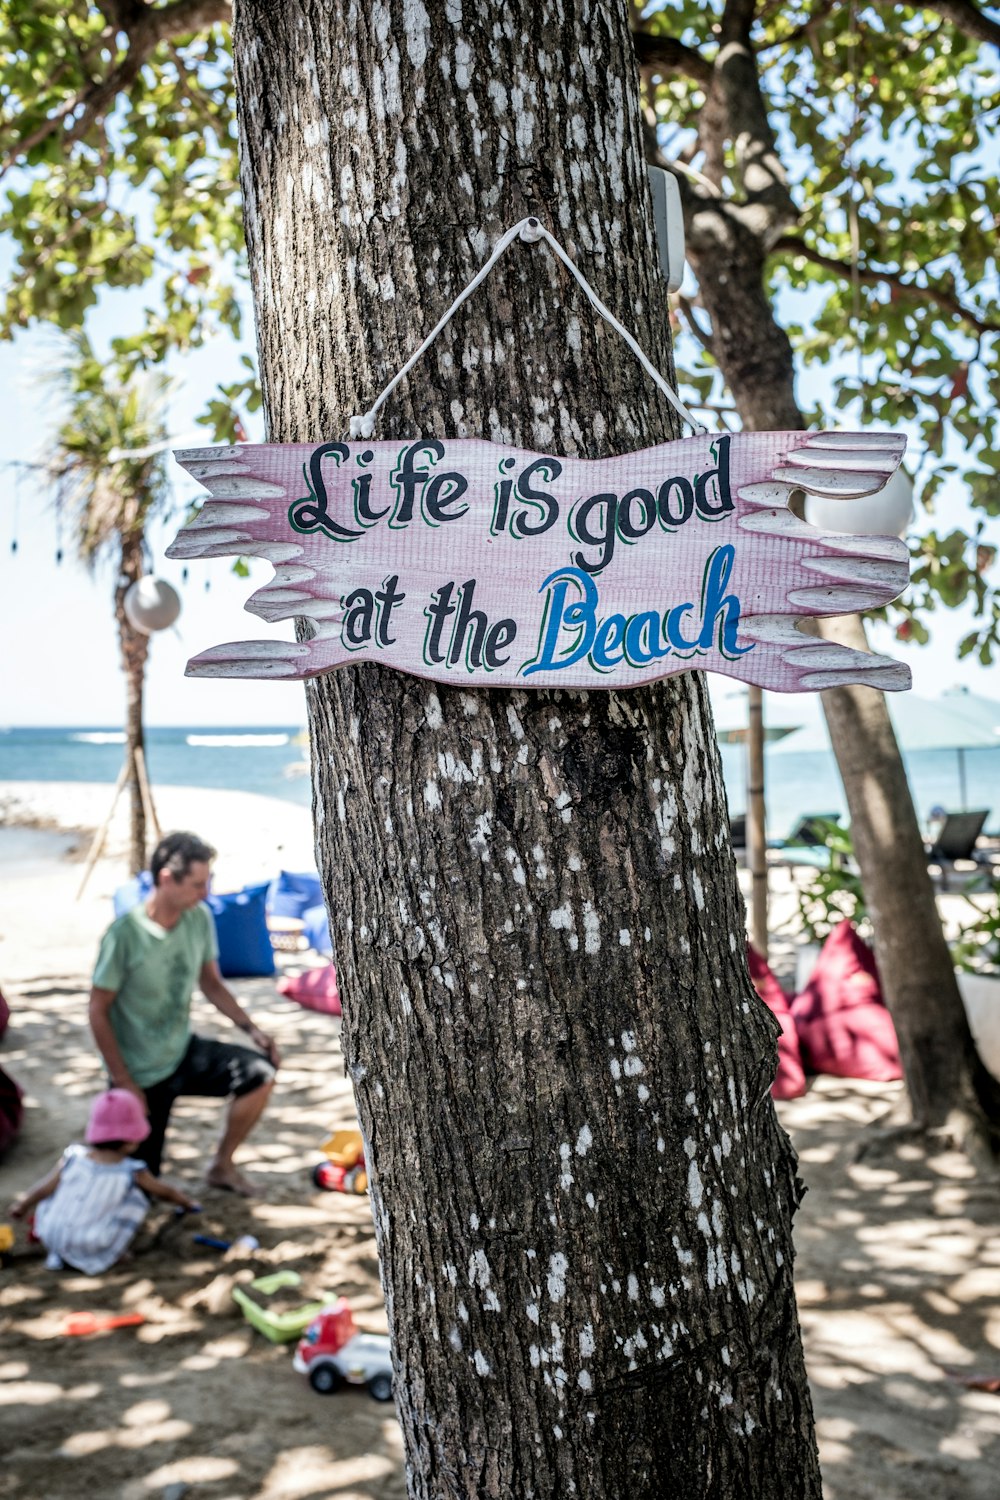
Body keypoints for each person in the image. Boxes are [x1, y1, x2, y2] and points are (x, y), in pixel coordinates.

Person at [89, 830, 280, 1197]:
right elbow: (97, 1011)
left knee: (261, 1074)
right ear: (165, 879)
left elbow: (211, 984)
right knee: (136, 1187)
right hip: (137, 1072)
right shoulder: (123, 934)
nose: (205, 894)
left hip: (181, 1051)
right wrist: (124, 1081)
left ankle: (222, 1166)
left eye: (207, 883)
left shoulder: (199, 918)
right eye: (197, 885)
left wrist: (252, 1030)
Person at [9, 1088, 200, 1273]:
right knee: (134, 1200)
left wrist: (22, 1205)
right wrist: (187, 1203)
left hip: (51, 1235)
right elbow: (164, 1192)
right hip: (92, 1242)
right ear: (131, 1140)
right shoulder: (131, 1170)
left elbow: (43, 1189)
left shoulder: (73, 1157)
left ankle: (63, 1251)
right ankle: (111, 1254)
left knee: (61, 1193)